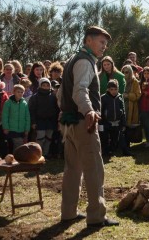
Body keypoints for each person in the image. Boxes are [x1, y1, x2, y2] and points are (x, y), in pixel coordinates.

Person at [58, 25, 119, 227]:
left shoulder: (71, 61)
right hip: (84, 123)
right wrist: (88, 111)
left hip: (70, 124)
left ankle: (68, 213)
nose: (104, 47)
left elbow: (61, 95)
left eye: (105, 44)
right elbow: (79, 91)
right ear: (88, 41)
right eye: (101, 42)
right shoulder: (85, 62)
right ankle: (96, 216)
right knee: (94, 169)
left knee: (73, 169)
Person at [29, 78, 59, 157]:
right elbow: (32, 110)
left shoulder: (53, 96)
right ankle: (38, 154)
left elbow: (57, 109)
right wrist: (33, 122)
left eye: (47, 85)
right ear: (40, 86)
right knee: (40, 138)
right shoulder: (35, 97)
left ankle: (45, 154)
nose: (45, 87)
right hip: (40, 121)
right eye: (43, 85)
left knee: (48, 139)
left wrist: (57, 121)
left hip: (51, 121)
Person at [99, 79, 126, 156]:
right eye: (112, 89)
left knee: (115, 138)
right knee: (105, 138)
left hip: (117, 122)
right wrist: (101, 123)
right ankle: (105, 151)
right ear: (108, 89)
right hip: (106, 123)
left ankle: (112, 150)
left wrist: (123, 123)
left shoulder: (120, 97)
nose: (114, 91)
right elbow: (101, 111)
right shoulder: (103, 98)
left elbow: (123, 111)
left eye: (115, 89)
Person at [2, 84, 30, 153]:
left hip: (21, 129)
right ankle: (16, 158)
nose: (20, 93)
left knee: (16, 145)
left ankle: (15, 158)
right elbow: (5, 116)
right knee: (18, 144)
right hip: (11, 129)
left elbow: (27, 117)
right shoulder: (8, 103)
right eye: (18, 92)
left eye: (22, 92)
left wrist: (27, 129)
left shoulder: (24, 103)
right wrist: (5, 127)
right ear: (14, 92)